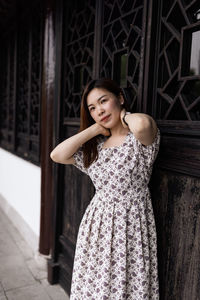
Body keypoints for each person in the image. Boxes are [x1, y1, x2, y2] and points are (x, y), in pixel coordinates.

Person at [50, 78, 160, 300]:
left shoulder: (138, 140)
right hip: (96, 227)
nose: (99, 110)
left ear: (119, 98)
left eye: (103, 101)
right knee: (95, 287)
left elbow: (144, 125)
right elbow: (57, 155)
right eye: (92, 108)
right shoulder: (95, 150)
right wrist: (93, 130)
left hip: (130, 226)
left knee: (126, 287)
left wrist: (124, 116)